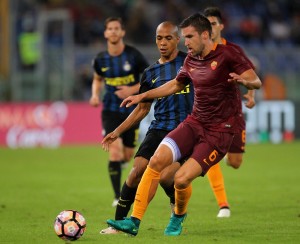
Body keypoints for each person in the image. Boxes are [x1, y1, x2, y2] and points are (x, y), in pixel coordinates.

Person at [106, 13, 261, 236]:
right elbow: (175, 85)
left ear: (205, 35)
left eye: (189, 37)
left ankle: (178, 216)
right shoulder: (190, 60)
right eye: (184, 37)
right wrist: (142, 96)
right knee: (155, 161)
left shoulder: (228, 54)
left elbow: (256, 80)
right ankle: (133, 221)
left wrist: (246, 83)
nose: (185, 42)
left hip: (219, 131)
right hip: (194, 122)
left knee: (179, 179)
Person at [100, 21, 193, 234]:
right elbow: (142, 110)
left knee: (166, 177)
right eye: (159, 38)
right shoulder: (151, 72)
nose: (163, 42)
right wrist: (117, 131)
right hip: (159, 128)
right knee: (135, 172)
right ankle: (118, 224)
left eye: (168, 38)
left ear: (177, 40)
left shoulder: (190, 63)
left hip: (183, 130)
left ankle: (176, 205)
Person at [202, 6, 257, 218]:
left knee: (234, 163)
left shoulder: (232, 50)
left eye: (214, 23)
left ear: (221, 26)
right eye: (207, 24)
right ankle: (223, 204)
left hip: (232, 112)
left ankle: (226, 154)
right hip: (207, 114)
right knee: (209, 157)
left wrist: (250, 96)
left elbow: (250, 75)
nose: (211, 28)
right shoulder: (199, 52)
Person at [89, 17, 149, 207]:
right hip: (111, 110)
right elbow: (98, 79)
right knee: (114, 151)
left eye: (117, 29)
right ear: (105, 33)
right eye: (110, 29)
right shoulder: (100, 59)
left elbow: (149, 79)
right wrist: (95, 95)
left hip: (133, 111)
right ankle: (117, 196)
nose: (113, 32)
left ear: (122, 32)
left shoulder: (134, 56)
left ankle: (123, 160)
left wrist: (131, 91)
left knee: (127, 155)